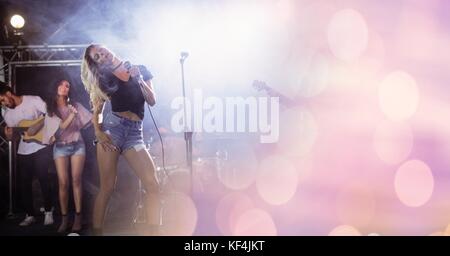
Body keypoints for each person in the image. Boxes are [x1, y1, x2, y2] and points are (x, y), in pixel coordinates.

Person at [80, 44, 160, 235]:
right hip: (113, 130)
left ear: (107, 48)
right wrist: (98, 131)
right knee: (107, 187)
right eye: (97, 57)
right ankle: (97, 233)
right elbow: (97, 110)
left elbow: (152, 101)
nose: (102, 55)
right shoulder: (105, 79)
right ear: (98, 63)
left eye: (101, 50)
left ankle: (154, 232)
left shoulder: (140, 69)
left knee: (153, 184)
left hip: (135, 134)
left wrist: (138, 79)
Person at [0, 82, 55, 227]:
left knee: (44, 178)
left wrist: (37, 126)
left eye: (2, 100)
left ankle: (48, 211)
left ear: (8, 93)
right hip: (23, 150)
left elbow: (51, 114)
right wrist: (9, 137)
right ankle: (30, 214)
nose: (3, 104)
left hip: (41, 146)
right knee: (24, 182)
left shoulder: (33, 100)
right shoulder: (7, 115)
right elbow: (16, 137)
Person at [45, 78, 92, 233]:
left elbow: (89, 122)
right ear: (55, 87)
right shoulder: (51, 109)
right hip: (60, 148)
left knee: (77, 180)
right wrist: (71, 116)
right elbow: (56, 134)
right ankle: (65, 219)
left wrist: (96, 110)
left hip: (78, 145)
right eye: (61, 84)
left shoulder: (75, 106)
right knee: (63, 183)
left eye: (67, 86)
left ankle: (78, 217)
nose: (64, 88)